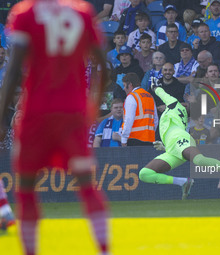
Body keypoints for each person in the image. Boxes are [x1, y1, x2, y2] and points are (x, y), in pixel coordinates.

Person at [0, 0, 110, 254]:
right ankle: (105, 249)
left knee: (26, 188)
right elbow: (103, 63)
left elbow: (15, 68)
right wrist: (92, 105)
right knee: (86, 184)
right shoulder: (82, 11)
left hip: (37, 110)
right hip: (73, 110)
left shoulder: (25, 12)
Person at [138, 77, 220, 200]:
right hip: (172, 149)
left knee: (200, 160)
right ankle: (183, 182)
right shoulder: (176, 112)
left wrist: (155, 86)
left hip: (179, 139)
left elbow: (162, 93)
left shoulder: (174, 104)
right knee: (144, 174)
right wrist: (165, 146)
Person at [121, 72, 158, 146]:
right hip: (150, 139)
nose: (124, 89)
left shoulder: (131, 97)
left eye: (125, 86)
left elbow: (128, 120)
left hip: (134, 139)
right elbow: (156, 120)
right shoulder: (149, 96)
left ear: (130, 85)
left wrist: (124, 139)